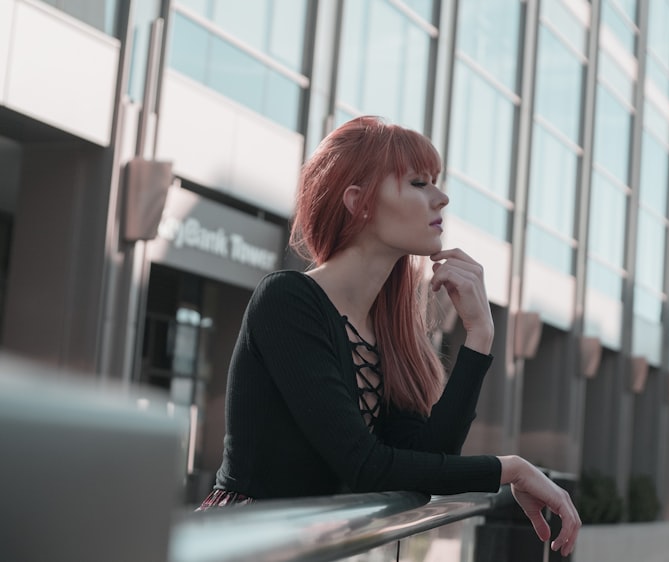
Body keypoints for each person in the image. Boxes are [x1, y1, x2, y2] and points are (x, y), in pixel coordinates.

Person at [199, 115, 580, 556]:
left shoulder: (387, 332)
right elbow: (366, 466)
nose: (442, 198)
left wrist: (480, 335)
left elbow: (428, 456)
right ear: (359, 201)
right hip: (242, 546)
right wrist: (509, 469)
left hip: (305, 548)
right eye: (419, 183)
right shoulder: (287, 301)